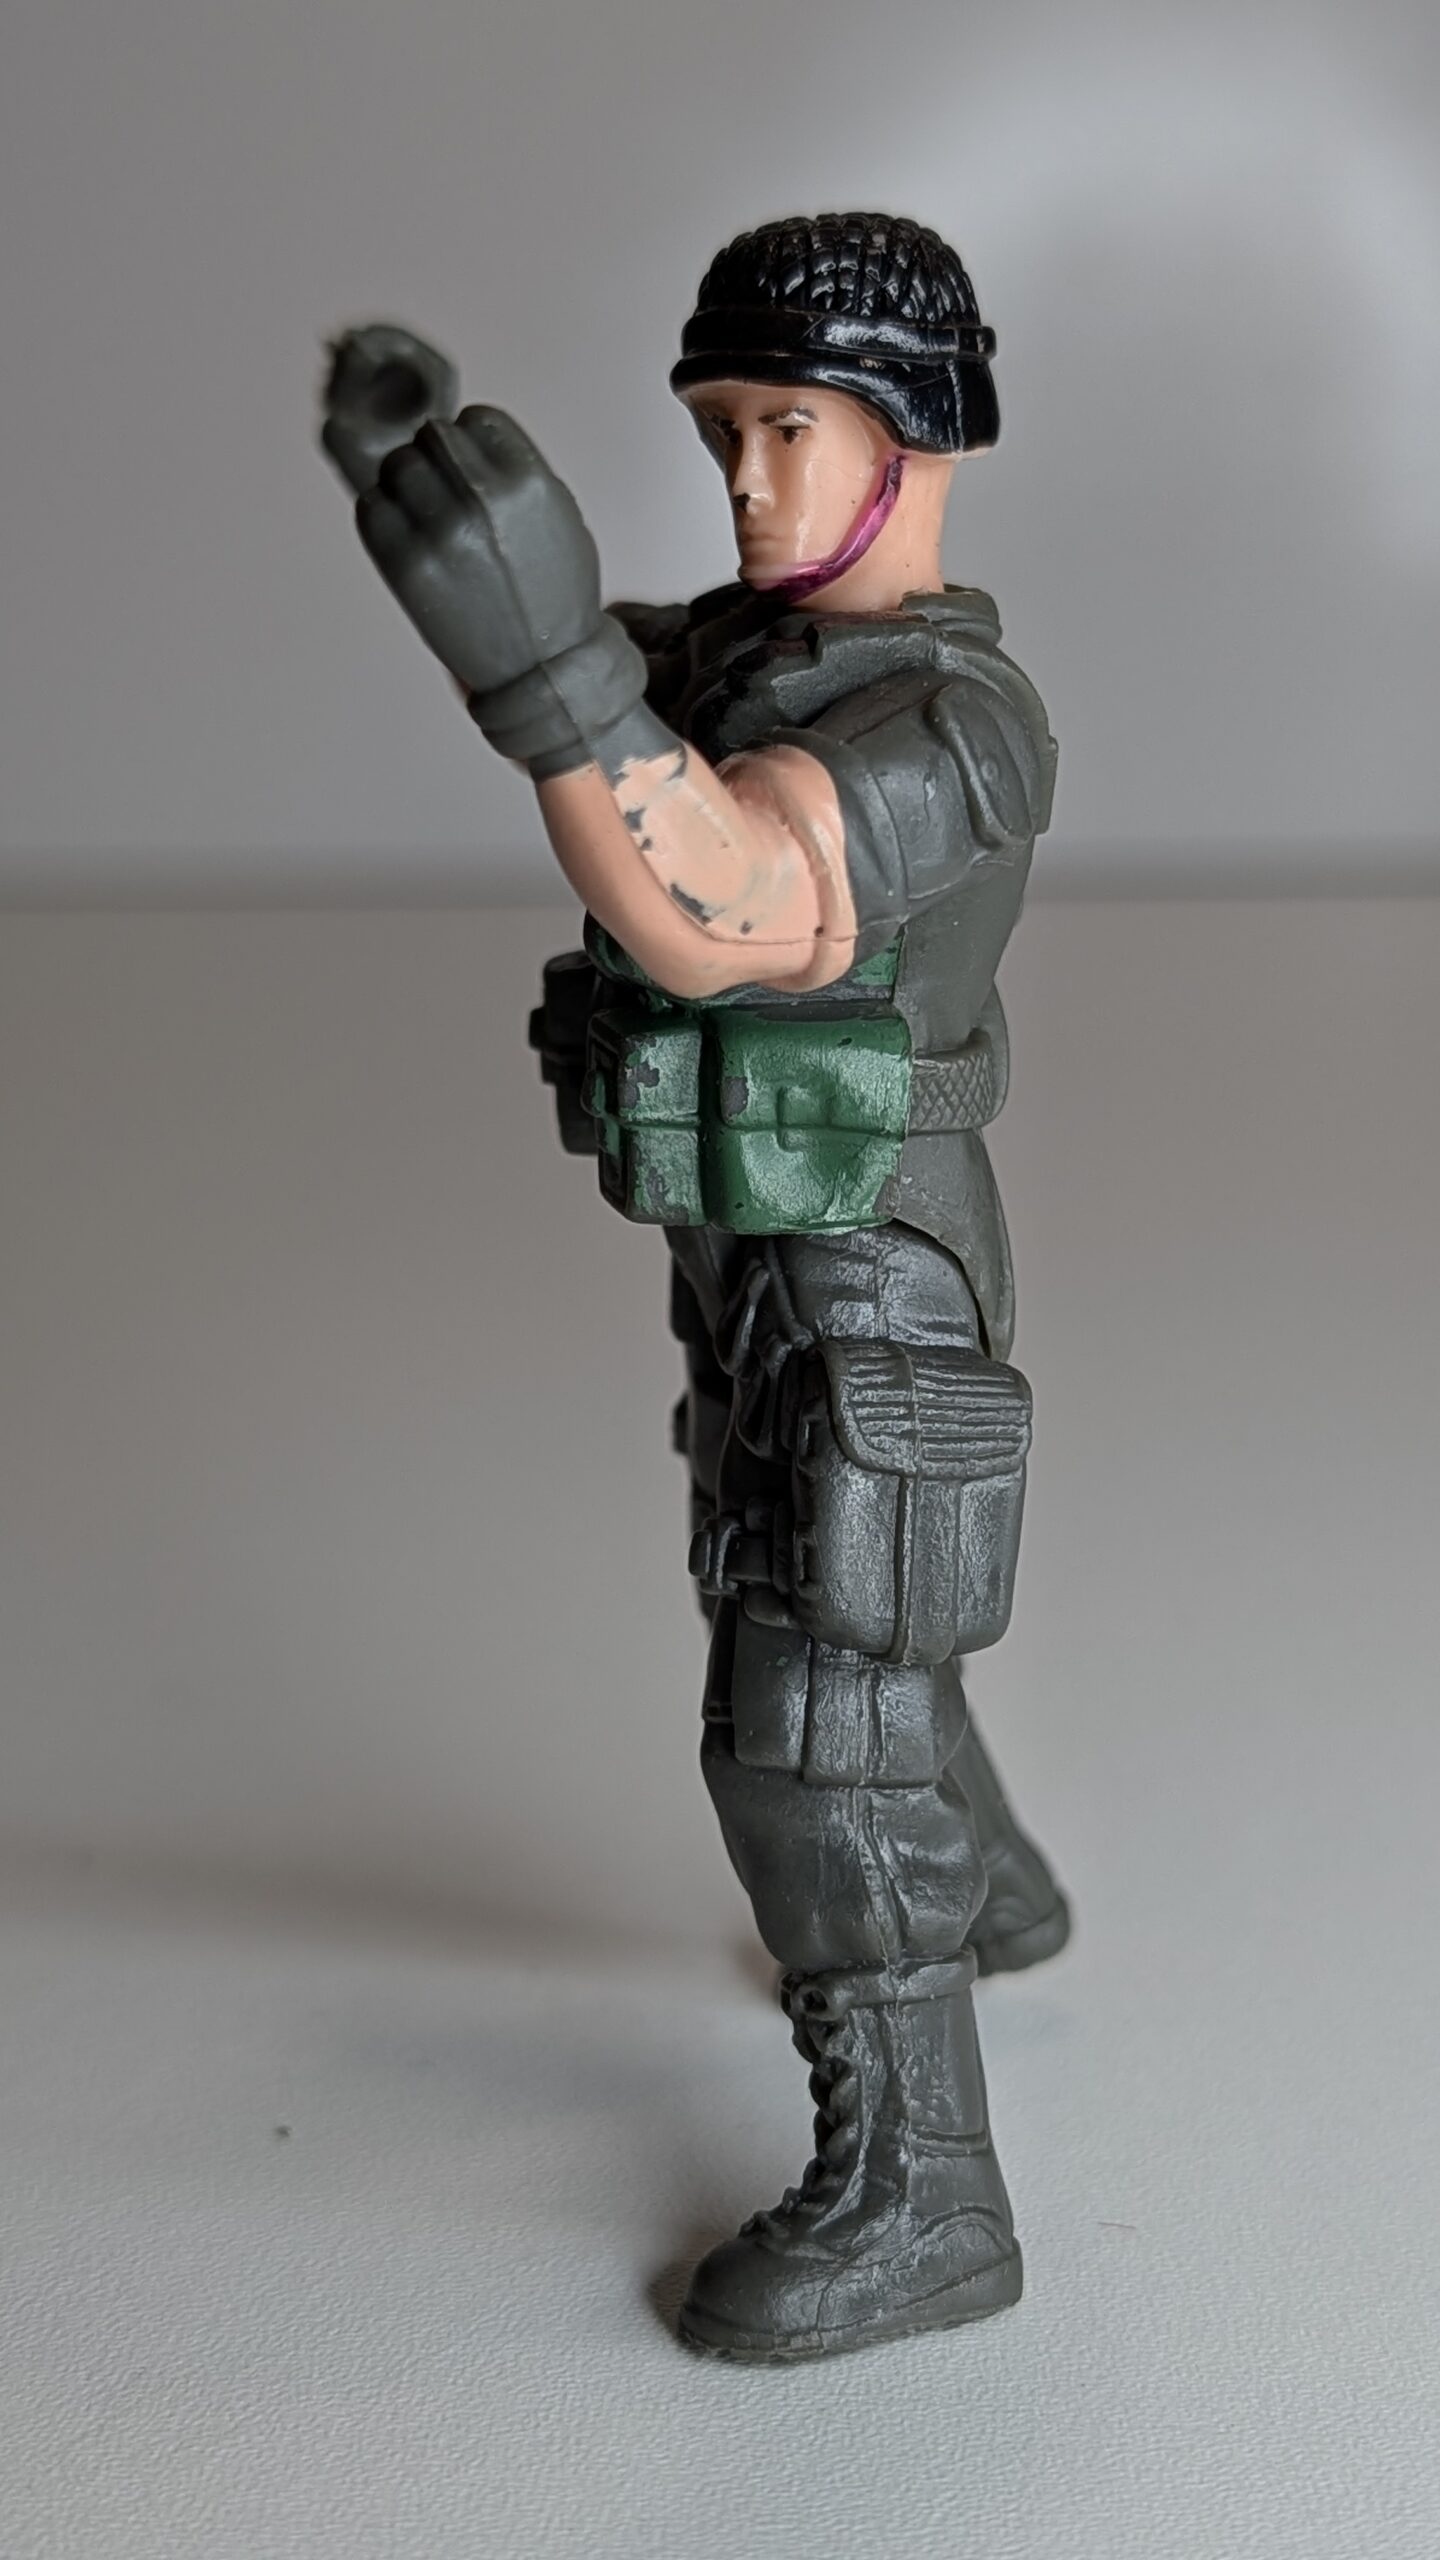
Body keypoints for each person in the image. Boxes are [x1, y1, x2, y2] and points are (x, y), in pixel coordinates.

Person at [320, 210, 1068, 2361]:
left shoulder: (958, 731)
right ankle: (993, 1887)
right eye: (719, 427)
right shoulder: (749, 651)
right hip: (758, 1262)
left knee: (809, 1731)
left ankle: (925, 2191)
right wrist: (428, 490)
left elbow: (725, 902)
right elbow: (617, 684)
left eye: (785, 426)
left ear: (915, 438)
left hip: (870, 1270)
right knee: (841, 1610)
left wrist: (546, 674)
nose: (743, 475)